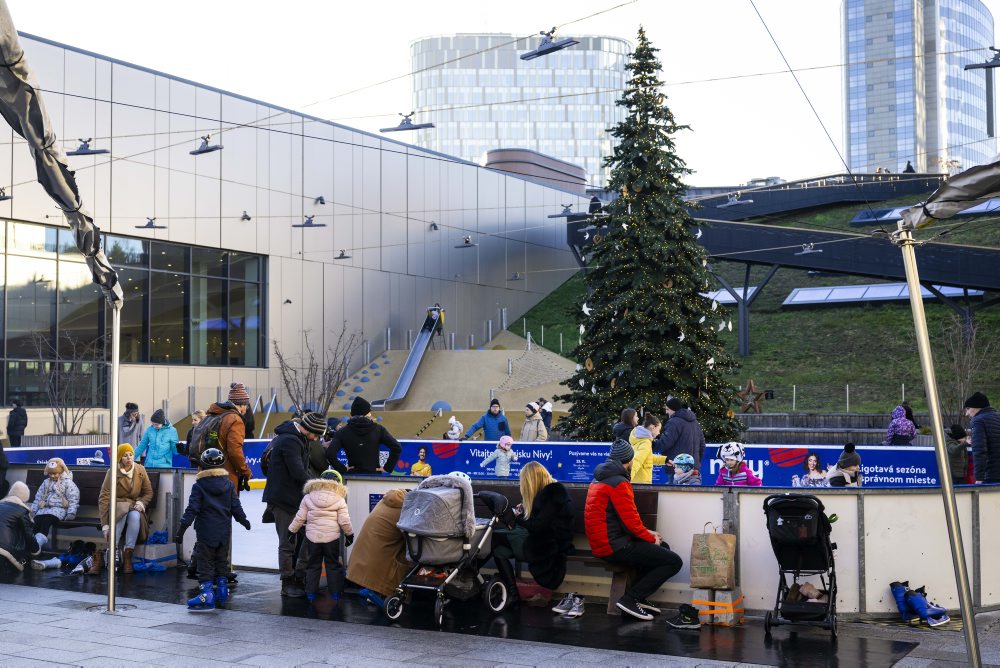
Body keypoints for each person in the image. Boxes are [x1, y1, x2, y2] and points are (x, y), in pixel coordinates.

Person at [584, 439, 684, 622]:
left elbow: (620, 519)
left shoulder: (599, 478)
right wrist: (650, 538)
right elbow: (630, 523)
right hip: (614, 546)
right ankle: (630, 598)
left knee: (665, 548)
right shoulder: (619, 483)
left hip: (604, 542)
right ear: (628, 461)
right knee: (674, 562)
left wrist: (648, 533)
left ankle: (638, 597)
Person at [176, 448, 251, 611]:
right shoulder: (229, 484)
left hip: (206, 532)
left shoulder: (199, 486)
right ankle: (222, 592)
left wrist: (181, 529)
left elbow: (192, 509)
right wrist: (244, 520)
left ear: (203, 466)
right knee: (221, 562)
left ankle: (206, 596)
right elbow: (235, 506)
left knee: (205, 563)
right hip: (224, 532)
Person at [262, 411, 327, 597]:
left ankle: (299, 576)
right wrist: (318, 487)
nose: (316, 439)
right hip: (283, 500)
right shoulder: (289, 441)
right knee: (287, 542)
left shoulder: (300, 439)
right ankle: (287, 582)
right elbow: (298, 472)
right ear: (310, 430)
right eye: (316, 434)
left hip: (294, 498)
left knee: (303, 538)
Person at [492, 461, 573, 608]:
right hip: (543, 541)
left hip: (547, 547)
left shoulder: (552, 495)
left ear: (530, 481)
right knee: (500, 551)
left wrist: (516, 517)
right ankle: (513, 593)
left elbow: (537, 526)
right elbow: (539, 522)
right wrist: (523, 512)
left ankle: (509, 592)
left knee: (497, 538)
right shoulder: (548, 492)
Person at [289, 468, 354, 603]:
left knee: (313, 565)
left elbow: (300, 517)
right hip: (332, 539)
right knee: (333, 565)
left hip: (312, 538)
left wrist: (292, 531)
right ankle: (335, 594)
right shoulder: (340, 499)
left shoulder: (308, 497)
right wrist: (349, 534)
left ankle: (311, 594)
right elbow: (344, 520)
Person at [91, 443, 154, 575]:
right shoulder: (112, 471)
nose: (129, 457)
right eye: (125, 455)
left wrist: (142, 503)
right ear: (120, 458)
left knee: (135, 515)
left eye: (131, 454)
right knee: (122, 512)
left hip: (134, 506)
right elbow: (104, 497)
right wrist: (105, 525)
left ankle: (127, 556)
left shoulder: (140, 470)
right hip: (117, 507)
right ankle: (112, 550)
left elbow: (148, 492)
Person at [346, 488, 410, 609]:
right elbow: (410, 536)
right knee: (406, 559)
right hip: (378, 554)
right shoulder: (405, 509)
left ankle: (373, 590)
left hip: (363, 551)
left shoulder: (384, 502)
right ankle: (388, 595)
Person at [326, 397, 402, 475]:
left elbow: (330, 453)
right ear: (367, 413)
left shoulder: (342, 432)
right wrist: (387, 468)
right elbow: (397, 447)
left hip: (352, 476)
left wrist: (342, 469)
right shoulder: (378, 429)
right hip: (374, 475)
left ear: (352, 414)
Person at [205, 383, 253, 493]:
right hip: (225, 474)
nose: (246, 409)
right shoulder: (235, 420)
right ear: (241, 405)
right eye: (246, 405)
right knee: (228, 508)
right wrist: (246, 472)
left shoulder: (214, 414)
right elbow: (234, 451)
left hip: (207, 471)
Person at [29, 458, 80, 550]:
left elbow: (73, 498)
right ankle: (33, 542)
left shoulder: (68, 483)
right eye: (50, 473)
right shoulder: (46, 483)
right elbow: (39, 496)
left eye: (55, 473)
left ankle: (37, 545)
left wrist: (71, 513)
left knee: (46, 521)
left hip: (59, 509)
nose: (52, 476)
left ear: (61, 471)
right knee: (37, 520)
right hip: (44, 509)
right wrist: (33, 511)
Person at [656, 397, 707, 484]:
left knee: (674, 494)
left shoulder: (674, 422)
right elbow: (702, 445)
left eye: (668, 409)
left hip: (677, 468)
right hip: (693, 468)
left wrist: (653, 443)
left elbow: (665, 443)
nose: (666, 412)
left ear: (674, 409)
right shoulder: (695, 422)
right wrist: (696, 462)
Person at [0, 481, 46, 575]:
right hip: (4, 550)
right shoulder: (22, 511)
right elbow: (28, 535)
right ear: (24, 498)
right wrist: (36, 552)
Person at [966, 392, 1000, 484]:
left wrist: (979, 478)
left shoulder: (978, 420)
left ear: (976, 407)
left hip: (993, 475)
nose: (967, 413)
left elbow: (980, 451)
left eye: (968, 409)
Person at [629, 414, 668, 485]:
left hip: (637, 481)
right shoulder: (645, 442)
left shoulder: (640, 439)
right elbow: (637, 460)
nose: (659, 433)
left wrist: (664, 460)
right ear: (653, 427)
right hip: (642, 484)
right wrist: (627, 477)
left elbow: (647, 458)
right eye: (658, 430)